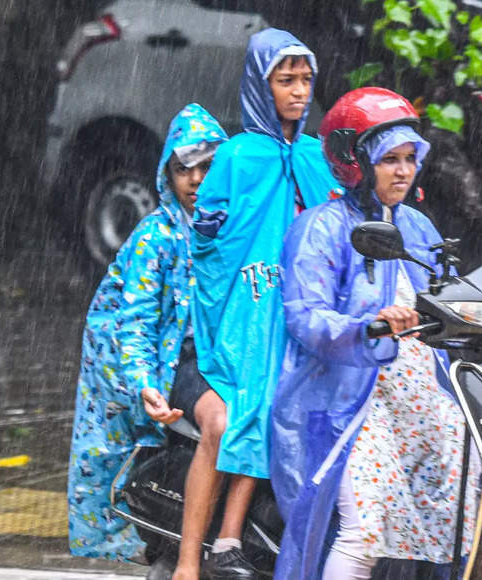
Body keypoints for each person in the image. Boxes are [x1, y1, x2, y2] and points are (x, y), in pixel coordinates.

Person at [270, 88, 482, 580]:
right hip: (351, 402)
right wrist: (369, 326)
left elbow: (447, 299)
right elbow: (306, 316)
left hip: (423, 396)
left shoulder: (420, 227)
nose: (404, 171)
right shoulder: (320, 228)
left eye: (410, 158)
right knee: (364, 532)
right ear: (355, 161)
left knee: (462, 517)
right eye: (390, 159)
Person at [180, 28, 340, 580]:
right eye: (285, 80)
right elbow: (209, 246)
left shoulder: (318, 155)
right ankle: (211, 547)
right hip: (249, 309)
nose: (298, 92)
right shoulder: (237, 156)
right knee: (251, 407)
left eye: (305, 80)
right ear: (260, 84)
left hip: (304, 308)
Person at [67, 103, 227, 563]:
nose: (196, 181)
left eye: (208, 167)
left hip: (225, 361)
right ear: (166, 174)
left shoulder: (234, 233)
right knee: (218, 424)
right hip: (173, 365)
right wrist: (145, 385)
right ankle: (190, 560)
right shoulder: (153, 239)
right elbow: (132, 324)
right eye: (184, 169)